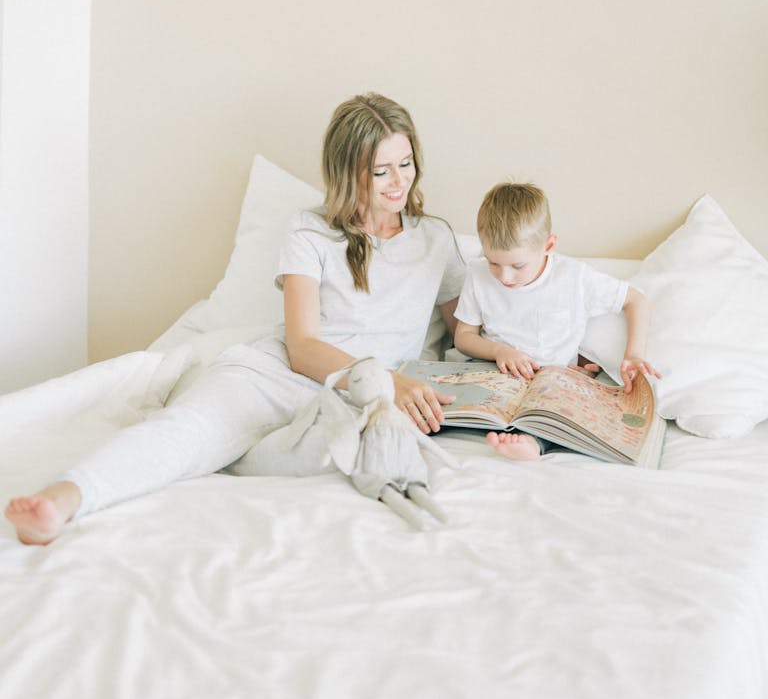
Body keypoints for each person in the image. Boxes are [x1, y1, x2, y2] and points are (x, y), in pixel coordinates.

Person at [5, 93, 465, 544]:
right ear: (348, 174)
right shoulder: (310, 231)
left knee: (330, 448)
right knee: (188, 431)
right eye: (381, 171)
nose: (398, 182)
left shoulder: (437, 241)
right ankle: (61, 500)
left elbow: (464, 333)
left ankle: (260, 452)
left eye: (406, 163)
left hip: (363, 401)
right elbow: (302, 348)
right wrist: (387, 380)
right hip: (280, 373)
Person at [452, 181, 660, 462]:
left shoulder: (573, 278)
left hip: (551, 383)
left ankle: (532, 442)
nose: (504, 277)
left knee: (551, 418)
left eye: (517, 266)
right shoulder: (478, 274)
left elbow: (635, 300)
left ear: (549, 245)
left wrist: (633, 354)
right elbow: (463, 337)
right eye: (493, 262)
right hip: (495, 374)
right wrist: (499, 351)